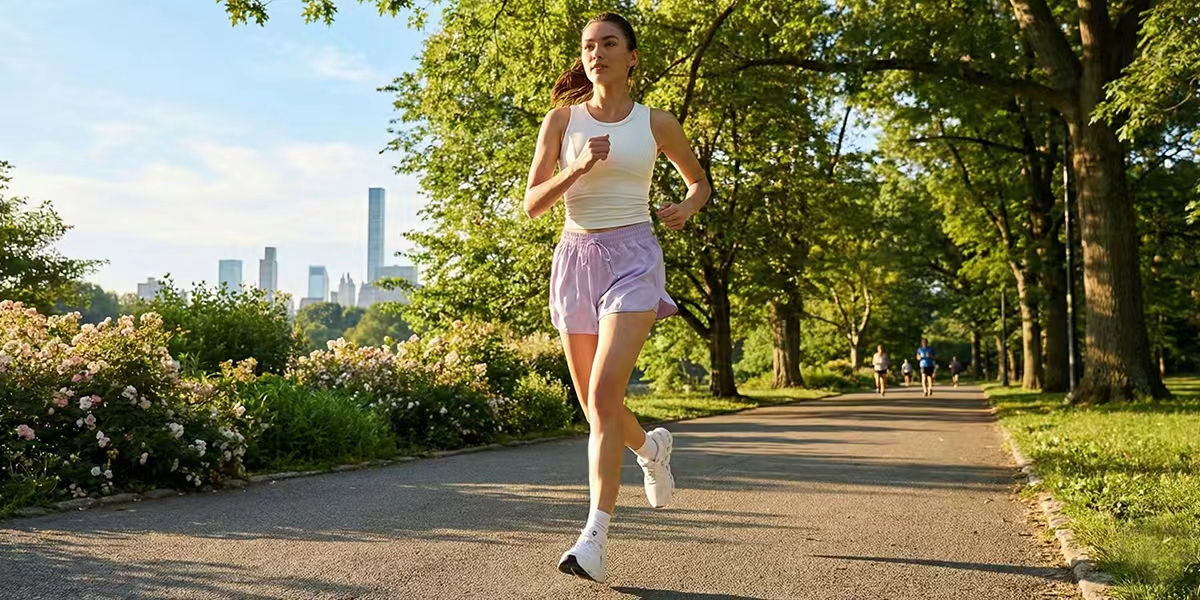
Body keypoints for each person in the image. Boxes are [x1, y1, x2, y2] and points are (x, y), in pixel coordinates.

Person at [523, 12, 711, 584]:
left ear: (631, 57)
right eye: (588, 45)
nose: (596, 52)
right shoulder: (561, 121)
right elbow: (532, 203)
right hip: (575, 260)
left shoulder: (656, 122)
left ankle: (594, 536)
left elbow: (699, 181)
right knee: (594, 405)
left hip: (633, 258)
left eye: (608, 43)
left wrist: (686, 207)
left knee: (606, 393)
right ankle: (651, 449)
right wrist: (577, 166)